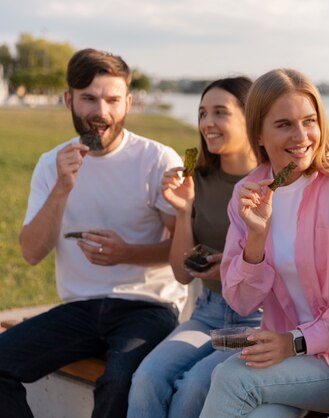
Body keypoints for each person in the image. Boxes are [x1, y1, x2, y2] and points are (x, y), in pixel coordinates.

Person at [199, 68, 329, 418]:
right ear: (259, 135)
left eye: (309, 121)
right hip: (289, 362)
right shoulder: (247, 193)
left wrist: (296, 341)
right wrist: (257, 238)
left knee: (230, 378)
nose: (301, 136)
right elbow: (241, 300)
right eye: (284, 125)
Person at [0, 48, 186, 418]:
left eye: (113, 100)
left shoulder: (157, 159)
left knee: (119, 380)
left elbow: (182, 254)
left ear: (128, 102)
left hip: (147, 306)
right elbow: (31, 253)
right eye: (89, 98)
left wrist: (127, 253)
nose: (102, 112)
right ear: (69, 99)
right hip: (81, 308)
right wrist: (62, 188)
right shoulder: (51, 164)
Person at [127, 76, 262, 418]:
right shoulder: (195, 179)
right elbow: (180, 274)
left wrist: (231, 266)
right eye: (202, 113)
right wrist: (182, 210)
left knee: (195, 386)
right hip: (208, 312)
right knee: (146, 377)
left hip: (260, 318)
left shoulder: (273, 183)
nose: (207, 124)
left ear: (250, 118)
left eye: (220, 113)